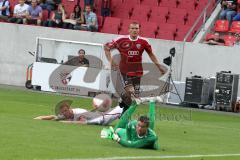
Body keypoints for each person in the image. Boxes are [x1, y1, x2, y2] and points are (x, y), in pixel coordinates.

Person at [104, 22, 167, 114]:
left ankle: (123, 112)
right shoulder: (121, 40)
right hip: (125, 72)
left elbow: (151, 54)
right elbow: (106, 48)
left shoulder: (144, 42)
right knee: (132, 93)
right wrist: (111, 61)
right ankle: (124, 104)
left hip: (138, 72)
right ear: (129, 30)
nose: (134, 30)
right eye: (132, 28)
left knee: (132, 98)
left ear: (139, 30)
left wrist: (159, 67)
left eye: (136, 28)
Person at [34, 99, 123, 125]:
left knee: (121, 108)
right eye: (62, 112)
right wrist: (39, 118)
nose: (64, 114)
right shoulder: (67, 115)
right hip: (97, 115)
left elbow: (82, 122)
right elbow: (53, 117)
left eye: (65, 111)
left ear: (69, 109)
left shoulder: (78, 113)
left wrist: (66, 122)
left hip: (104, 118)